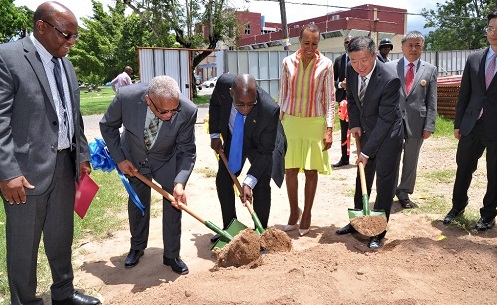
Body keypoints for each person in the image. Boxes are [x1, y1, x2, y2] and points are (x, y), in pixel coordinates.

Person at [0, 2, 101, 305]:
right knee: (23, 246)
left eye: (75, 36)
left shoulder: (66, 64)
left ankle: (63, 290)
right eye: (66, 34)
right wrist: (8, 171)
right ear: (42, 27)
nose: (71, 42)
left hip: (63, 164)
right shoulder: (8, 57)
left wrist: (82, 154)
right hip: (24, 174)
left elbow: (74, 115)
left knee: (61, 235)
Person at [100, 75, 197, 274]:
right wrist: (119, 158)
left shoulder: (188, 111)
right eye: (163, 111)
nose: (170, 115)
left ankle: (172, 255)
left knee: (174, 202)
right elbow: (108, 126)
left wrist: (180, 182)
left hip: (166, 159)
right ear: (148, 100)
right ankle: (137, 247)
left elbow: (187, 149)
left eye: (174, 109)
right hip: (133, 158)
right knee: (138, 203)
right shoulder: (126, 97)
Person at [442, 8, 497, 230]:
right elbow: (465, 94)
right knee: (463, 167)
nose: (494, 33)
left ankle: (488, 214)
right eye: (490, 28)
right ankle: (457, 206)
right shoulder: (474, 58)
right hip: (471, 125)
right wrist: (459, 123)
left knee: (496, 172)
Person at [335, 36, 403, 250]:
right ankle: (358, 222)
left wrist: (366, 152)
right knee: (362, 176)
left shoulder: (390, 79)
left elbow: (385, 121)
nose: (359, 66)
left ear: (375, 55)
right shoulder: (350, 68)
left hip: (388, 133)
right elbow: (352, 98)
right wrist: (354, 122)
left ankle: (378, 230)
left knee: (385, 180)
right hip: (365, 129)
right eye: (354, 61)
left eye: (364, 60)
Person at [208, 73, 282, 242]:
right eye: (240, 104)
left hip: (260, 142)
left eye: (251, 104)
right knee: (223, 180)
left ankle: (260, 233)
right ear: (231, 93)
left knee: (261, 183)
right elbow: (215, 104)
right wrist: (214, 133)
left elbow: (265, 152)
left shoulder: (269, 110)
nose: (246, 109)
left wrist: (249, 182)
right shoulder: (222, 85)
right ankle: (230, 229)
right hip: (235, 138)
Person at [278, 23, 335, 236]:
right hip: (290, 121)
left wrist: (329, 129)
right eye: (306, 43)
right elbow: (282, 94)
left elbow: (330, 98)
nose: (310, 47)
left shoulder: (327, 65)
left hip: (314, 122)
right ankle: (294, 212)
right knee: (290, 170)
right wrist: (278, 121)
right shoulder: (286, 62)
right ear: (299, 42)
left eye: (314, 43)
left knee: (311, 171)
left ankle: (308, 213)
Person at [386, 31, 438, 209]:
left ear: (422, 48)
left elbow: (432, 100)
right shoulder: (390, 67)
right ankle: (388, 190)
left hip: (418, 122)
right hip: (392, 121)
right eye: (410, 45)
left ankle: (404, 192)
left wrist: (429, 125)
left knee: (411, 159)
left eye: (418, 45)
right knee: (391, 157)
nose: (414, 49)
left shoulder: (430, 69)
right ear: (402, 47)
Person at [332, 34, 353, 168]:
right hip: (342, 101)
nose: (348, 44)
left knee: (360, 129)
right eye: (346, 42)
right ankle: (345, 158)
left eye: (351, 42)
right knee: (344, 131)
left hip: (357, 101)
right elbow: (332, 80)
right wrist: (341, 85)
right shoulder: (339, 61)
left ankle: (364, 157)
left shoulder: (360, 59)